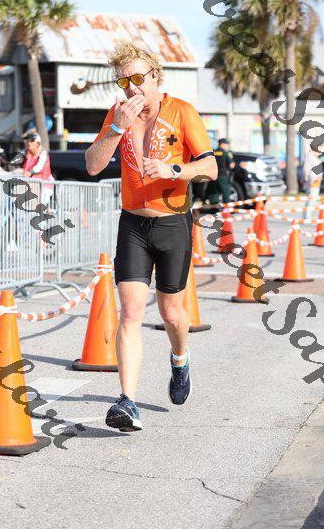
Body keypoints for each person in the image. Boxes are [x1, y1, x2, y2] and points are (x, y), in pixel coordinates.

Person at [85, 40, 217, 432]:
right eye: (122, 81)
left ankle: (180, 358)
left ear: (155, 76)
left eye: (137, 78)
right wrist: (115, 129)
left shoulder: (182, 112)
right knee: (130, 313)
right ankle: (127, 401)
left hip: (173, 223)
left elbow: (209, 167)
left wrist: (173, 170)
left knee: (171, 313)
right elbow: (92, 166)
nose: (130, 87)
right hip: (133, 225)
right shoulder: (117, 115)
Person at [22, 132, 54, 207]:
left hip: (45, 183)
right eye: (28, 141)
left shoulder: (43, 152)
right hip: (31, 183)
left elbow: (39, 166)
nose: (29, 143)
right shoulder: (26, 153)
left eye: (32, 141)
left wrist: (30, 172)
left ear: (37, 143)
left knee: (41, 205)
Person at [204, 138, 235, 207]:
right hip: (222, 175)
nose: (227, 146)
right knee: (225, 191)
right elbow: (231, 165)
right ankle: (227, 207)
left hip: (213, 175)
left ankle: (214, 208)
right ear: (222, 144)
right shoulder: (226, 153)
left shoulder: (213, 152)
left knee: (214, 192)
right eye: (226, 144)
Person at [302, 147, 322, 221]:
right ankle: (307, 216)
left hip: (316, 180)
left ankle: (308, 215)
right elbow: (306, 169)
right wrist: (307, 179)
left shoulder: (314, 156)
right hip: (312, 180)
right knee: (311, 198)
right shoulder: (309, 156)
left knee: (313, 198)